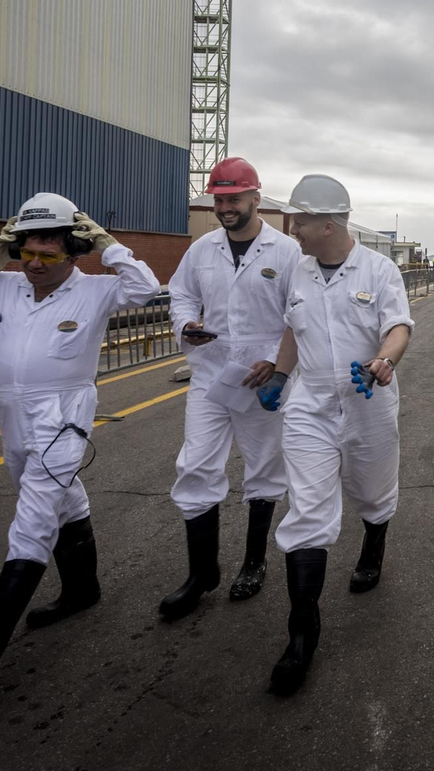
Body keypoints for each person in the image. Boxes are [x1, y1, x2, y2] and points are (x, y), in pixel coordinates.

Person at [0, 194, 160, 690]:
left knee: (32, 519)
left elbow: (144, 288)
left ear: (74, 252)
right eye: (26, 252)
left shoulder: (96, 290)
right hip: (10, 413)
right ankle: (82, 590)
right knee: (62, 498)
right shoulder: (0, 286)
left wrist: (109, 244)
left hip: (63, 416)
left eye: (48, 255)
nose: (34, 264)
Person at [265, 174, 413, 696]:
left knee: (373, 493)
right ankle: (301, 635)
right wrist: (282, 376)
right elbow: (291, 326)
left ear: (327, 224)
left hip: (367, 396)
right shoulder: (298, 272)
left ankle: (374, 539)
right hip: (311, 402)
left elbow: (398, 327)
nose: (292, 229)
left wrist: (383, 362)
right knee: (306, 510)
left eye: (299, 221)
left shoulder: (379, 269)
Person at [161, 158, 302, 620]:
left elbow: (299, 315)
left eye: (234, 199)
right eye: (219, 200)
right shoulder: (202, 249)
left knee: (263, 468)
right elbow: (180, 293)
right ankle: (202, 574)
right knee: (195, 466)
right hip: (210, 375)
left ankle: (254, 561)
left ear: (256, 198)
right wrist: (186, 323)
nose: (225, 207)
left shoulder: (286, 252)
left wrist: (278, 364)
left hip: (261, 380)